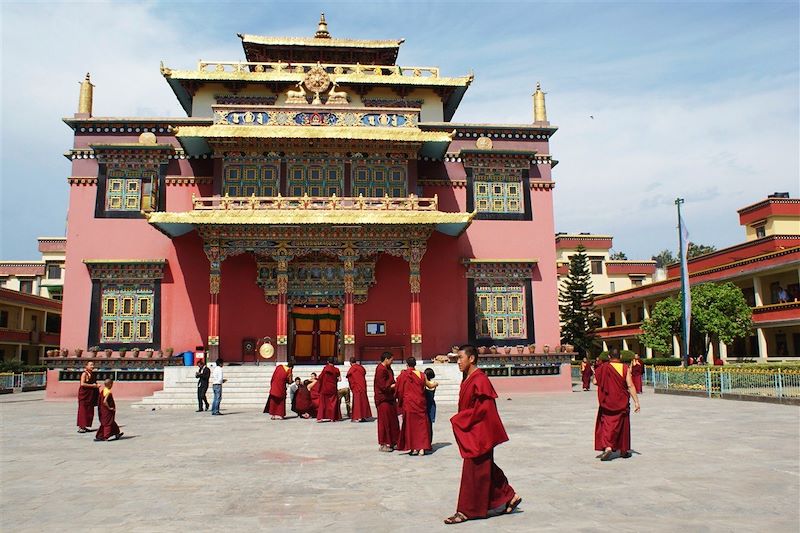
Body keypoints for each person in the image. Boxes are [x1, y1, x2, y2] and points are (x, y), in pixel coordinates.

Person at [445, 345, 521, 524]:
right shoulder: (468, 379)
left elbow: (484, 411)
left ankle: (467, 511)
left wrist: (461, 420)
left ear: (471, 359)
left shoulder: (480, 380)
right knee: (484, 468)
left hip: (479, 432)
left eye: (460, 358)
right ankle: (510, 496)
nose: (458, 362)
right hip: (472, 430)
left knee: (474, 471)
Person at [592, 349, 640, 461]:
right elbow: (630, 385)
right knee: (622, 425)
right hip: (621, 401)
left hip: (607, 402)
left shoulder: (603, 368)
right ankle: (623, 450)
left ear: (609, 356)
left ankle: (608, 447)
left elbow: (595, 382)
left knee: (607, 424)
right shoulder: (624, 368)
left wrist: (605, 381)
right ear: (621, 356)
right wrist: (636, 402)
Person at [397, 357, 438, 456]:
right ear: (415, 364)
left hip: (409, 404)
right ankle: (422, 449)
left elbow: (399, 390)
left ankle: (414, 448)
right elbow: (429, 385)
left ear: (407, 364)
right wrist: (436, 384)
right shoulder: (421, 374)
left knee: (411, 427)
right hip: (420, 403)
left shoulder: (403, 375)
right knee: (421, 426)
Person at [374, 351, 400, 452]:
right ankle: (383, 444)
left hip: (390, 398)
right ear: (386, 359)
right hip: (383, 399)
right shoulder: (380, 369)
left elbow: (391, 381)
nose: (392, 362)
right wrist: (396, 385)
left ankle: (394, 441)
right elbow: (384, 386)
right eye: (391, 360)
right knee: (384, 422)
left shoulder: (388, 368)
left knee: (393, 421)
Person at [77, 361, 101, 433]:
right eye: (91, 365)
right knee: (83, 411)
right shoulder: (84, 374)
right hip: (84, 395)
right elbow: (82, 384)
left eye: (93, 365)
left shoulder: (92, 374)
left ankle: (85, 426)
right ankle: (81, 427)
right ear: (86, 366)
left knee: (89, 411)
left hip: (90, 395)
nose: (92, 366)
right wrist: (93, 386)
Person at [346, 356, 372, 422]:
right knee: (363, 402)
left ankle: (357, 417)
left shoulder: (352, 369)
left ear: (350, 363)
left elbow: (349, 377)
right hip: (362, 386)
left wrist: (352, 386)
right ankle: (363, 416)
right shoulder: (361, 367)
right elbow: (364, 373)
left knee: (357, 402)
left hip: (357, 387)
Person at [316, 358, 342, 422]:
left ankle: (320, 418)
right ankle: (332, 418)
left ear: (327, 362)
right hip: (333, 388)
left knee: (323, 403)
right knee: (332, 402)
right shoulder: (336, 369)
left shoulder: (325, 369)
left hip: (325, 388)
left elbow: (320, 377)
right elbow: (339, 379)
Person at [424, 367, 438, 442]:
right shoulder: (434, 383)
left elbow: (429, 386)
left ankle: (427, 441)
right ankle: (429, 441)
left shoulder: (428, 384)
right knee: (429, 425)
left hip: (427, 404)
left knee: (427, 424)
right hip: (431, 404)